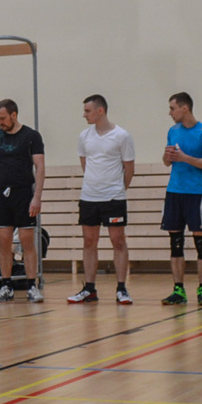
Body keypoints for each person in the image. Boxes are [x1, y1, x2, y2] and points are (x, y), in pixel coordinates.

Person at [71, 94, 136, 305]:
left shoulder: (122, 136)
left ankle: (122, 288)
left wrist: (117, 190)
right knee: (89, 242)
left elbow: (129, 169)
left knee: (118, 242)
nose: (84, 115)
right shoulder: (84, 136)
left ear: (100, 111)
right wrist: (95, 185)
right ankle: (89, 289)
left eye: (87, 111)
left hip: (114, 199)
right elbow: (85, 164)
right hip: (89, 198)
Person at [0, 99, 45, 304]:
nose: (0, 122)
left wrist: (37, 197)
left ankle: (32, 286)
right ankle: (6, 285)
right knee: (4, 242)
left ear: (14, 115)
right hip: (2, 195)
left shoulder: (31, 136)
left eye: (3, 118)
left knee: (27, 241)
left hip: (24, 194)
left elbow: (40, 167)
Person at [160, 92, 202, 307]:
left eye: (172, 108)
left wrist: (184, 157)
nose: (170, 113)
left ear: (184, 108)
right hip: (174, 192)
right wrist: (167, 156)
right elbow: (167, 162)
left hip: (195, 193)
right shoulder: (173, 131)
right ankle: (178, 289)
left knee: (200, 241)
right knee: (175, 242)